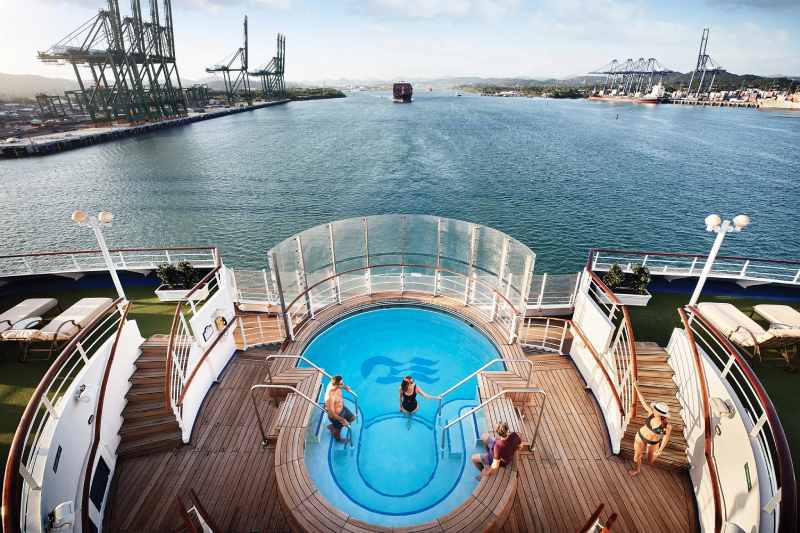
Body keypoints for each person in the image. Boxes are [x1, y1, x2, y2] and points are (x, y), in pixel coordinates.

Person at [629, 382, 672, 477]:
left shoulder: (667, 426)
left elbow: (665, 438)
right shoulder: (650, 413)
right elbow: (643, 401)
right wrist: (636, 387)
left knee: (650, 460)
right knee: (636, 457)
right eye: (655, 409)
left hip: (653, 442)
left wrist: (660, 450)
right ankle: (637, 470)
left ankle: (648, 458)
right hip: (640, 436)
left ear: (662, 414)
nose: (654, 411)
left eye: (656, 410)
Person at [325, 375, 356, 442]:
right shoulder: (331, 396)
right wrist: (342, 420)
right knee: (338, 430)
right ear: (336, 385)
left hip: (343, 408)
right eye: (341, 384)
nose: (343, 384)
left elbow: (341, 385)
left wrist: (346, 387)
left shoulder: (337, 387)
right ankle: (338, 438)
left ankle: (333, 426)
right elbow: (332, 413)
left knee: (352, 418)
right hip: (336, 416)